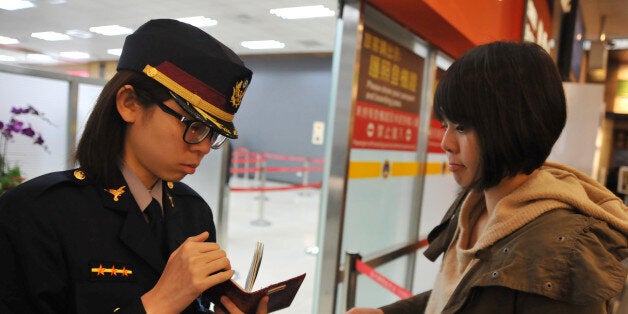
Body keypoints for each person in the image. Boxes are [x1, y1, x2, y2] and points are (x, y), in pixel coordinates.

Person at [0, 19, 268, 313]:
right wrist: (159, 302)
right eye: (193, 125)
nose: (204, 146)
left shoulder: (193, 212)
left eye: (213, 133)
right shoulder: (34, 215)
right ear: (129, 103)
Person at [347, 41, 628, 313]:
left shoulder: (563, 255)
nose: (445, 142)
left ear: (513, 126)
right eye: (446, 125)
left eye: (462, 126)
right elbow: (458, 296)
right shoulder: (474, 204)